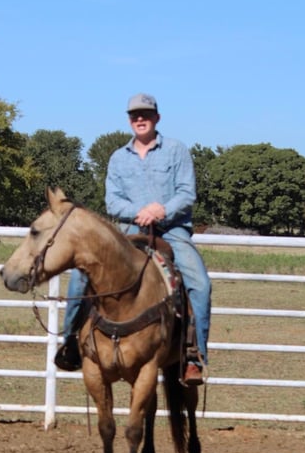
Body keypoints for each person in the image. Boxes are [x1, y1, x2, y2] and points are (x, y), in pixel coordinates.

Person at [55, 92, 211, 385]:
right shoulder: (117, 158)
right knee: (81, 276)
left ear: (157, 118)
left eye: (146, 114)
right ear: (129, 120)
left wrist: (161, 210)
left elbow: (186, 193)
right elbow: (112, 202)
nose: (140, 119)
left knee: (200, 284)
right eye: (134, 115)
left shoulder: (176, 151)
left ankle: (194, 356)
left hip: (172, 230)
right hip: (128, 231)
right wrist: (139, 212)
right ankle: (70, 343)